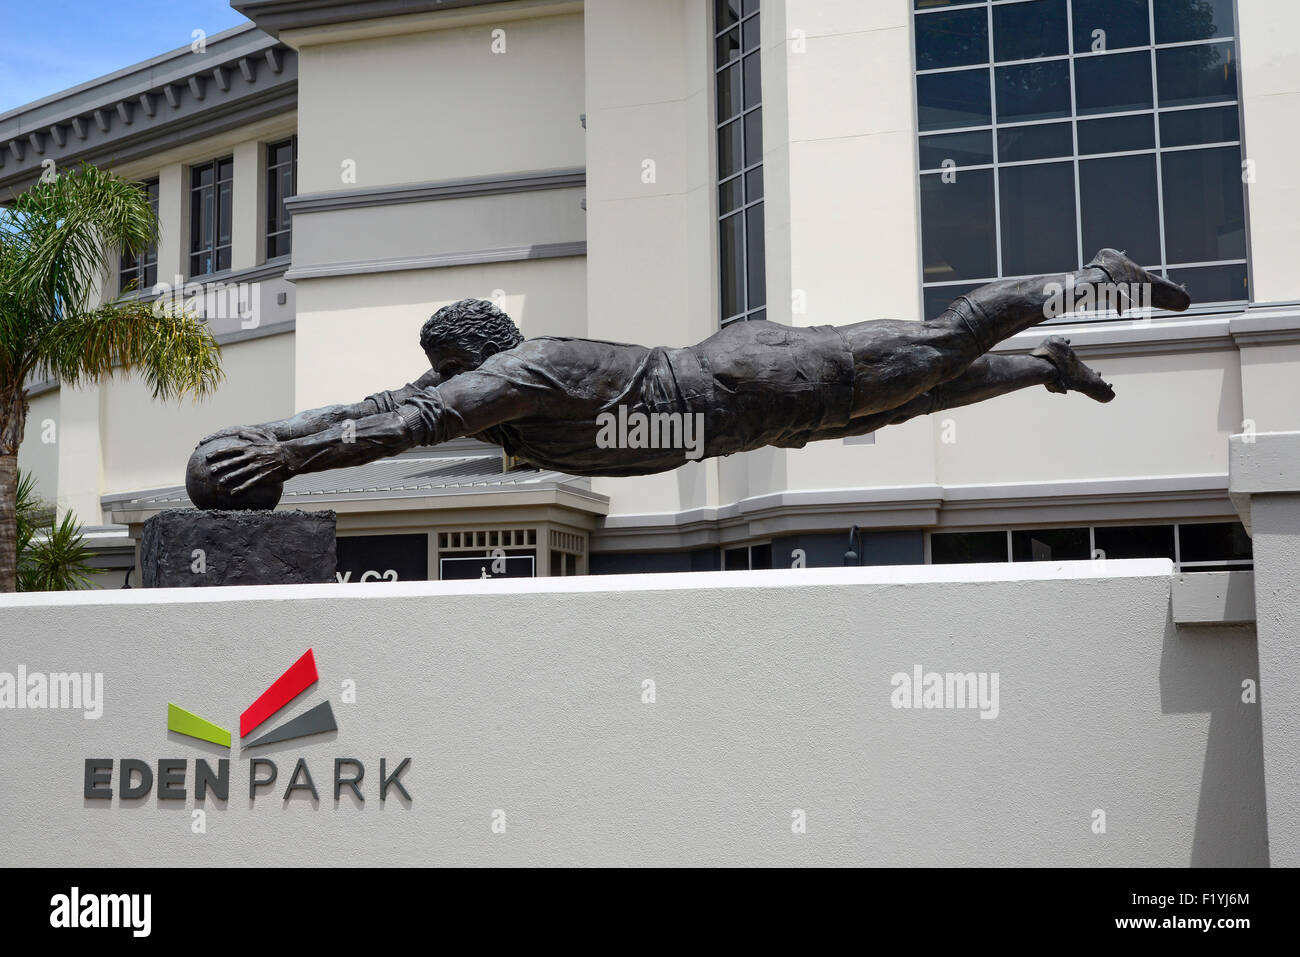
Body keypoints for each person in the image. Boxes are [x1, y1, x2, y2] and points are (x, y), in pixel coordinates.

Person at [201, 249, 1190, 496]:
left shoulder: (527, 375)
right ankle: (1045, 362)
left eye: (448, 378)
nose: (448, 395)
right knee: (908, 399)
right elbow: (387, 405)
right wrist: (276, 439)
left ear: (472, 361)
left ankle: (1090, 283)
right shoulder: (506, 410)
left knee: (933, 351)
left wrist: (279, 464)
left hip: (748, 380)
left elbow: (402, 425)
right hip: (744, 418)